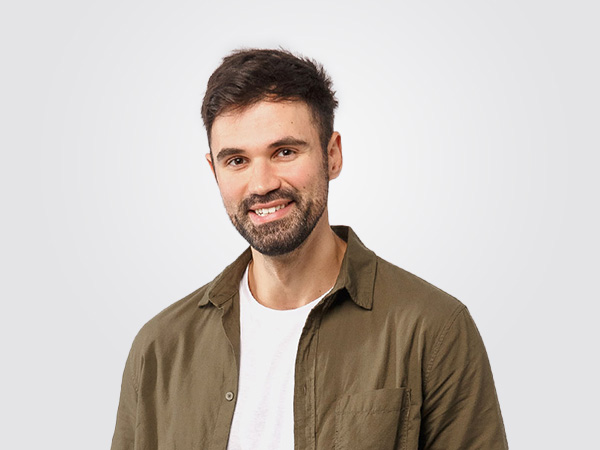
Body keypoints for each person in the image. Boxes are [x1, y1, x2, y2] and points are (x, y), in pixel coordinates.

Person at [111, 49, 508, 450]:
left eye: (284, 152)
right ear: (214, 171)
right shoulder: (160, 349)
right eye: (237, 160)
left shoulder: (433, 328)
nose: (262, 184)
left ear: (332, 155)